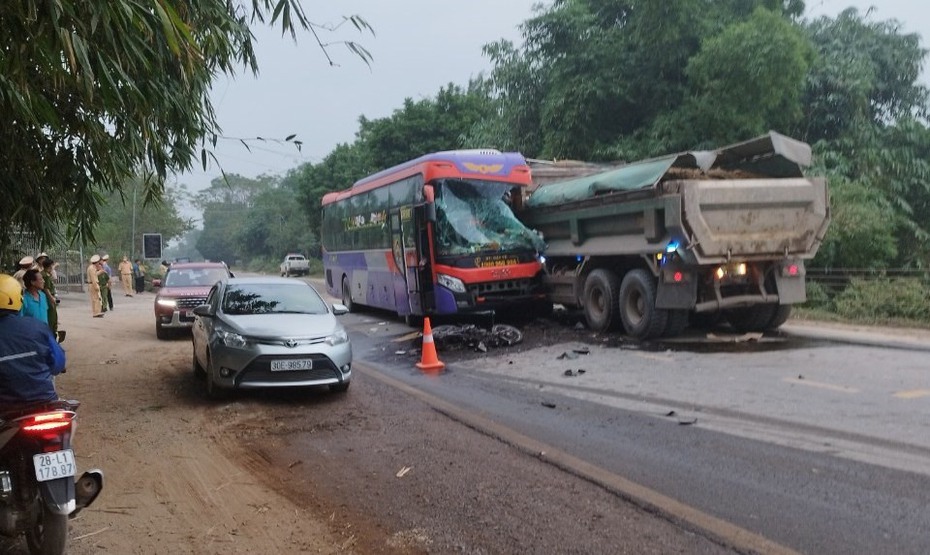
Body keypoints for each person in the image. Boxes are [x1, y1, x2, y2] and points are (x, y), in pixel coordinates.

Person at [0, 273, 66, 404]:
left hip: (7, 407)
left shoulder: (42, 298)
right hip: (44, 400)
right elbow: (58, 363)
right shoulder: (38, 327)